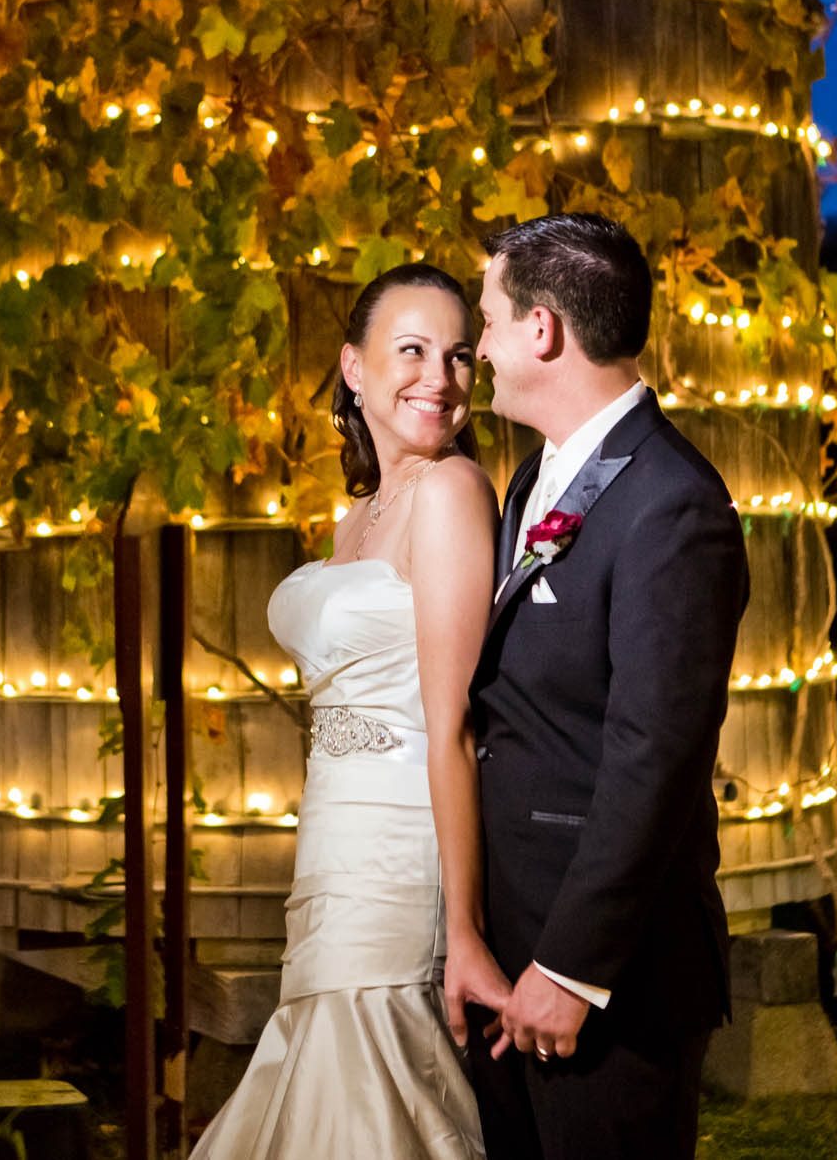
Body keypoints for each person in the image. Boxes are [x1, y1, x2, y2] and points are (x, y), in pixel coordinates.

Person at [191, 261, 509, 1159]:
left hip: (400, 854)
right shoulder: (355, 519)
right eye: (411, 350)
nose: (438, 378)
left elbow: (451, 725)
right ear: (354, 368)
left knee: (371, 1089)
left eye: (456, 356)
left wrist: (464, 929)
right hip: (329, 846)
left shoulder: (450, 493)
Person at [464, 212, 751, 1160]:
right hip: (512, 950)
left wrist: (573, 966)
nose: (483, 347)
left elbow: (655, 755)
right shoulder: (531, 480)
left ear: (543, 330)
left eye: (491, 320)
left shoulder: (673, 504)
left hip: (606, 977)